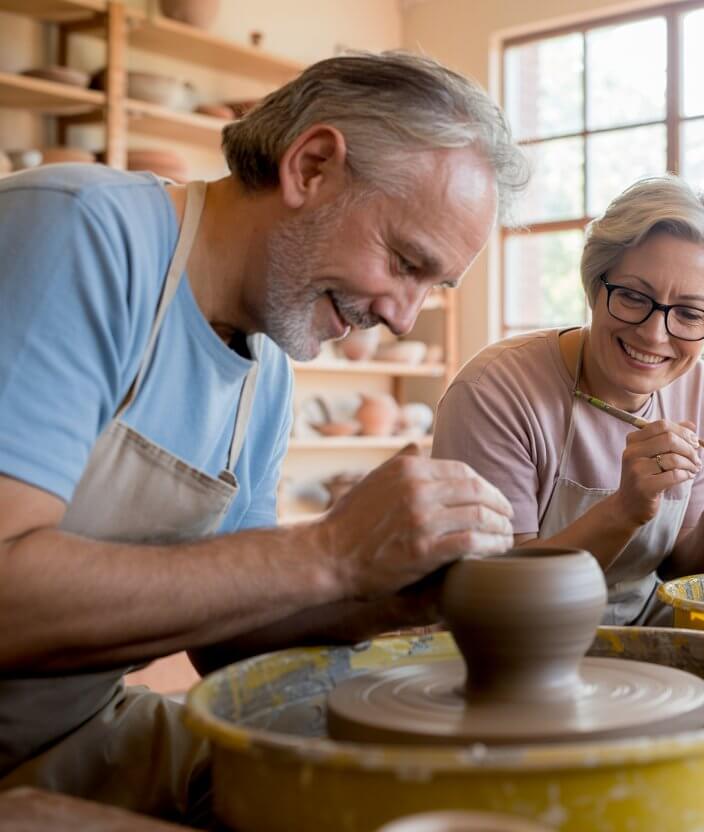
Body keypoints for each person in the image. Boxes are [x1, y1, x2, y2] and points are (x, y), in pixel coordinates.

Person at [0, 52, 527, 821]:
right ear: (311, 166)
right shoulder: (82, 233)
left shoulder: (266, 369)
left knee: (381, 799)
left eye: (432, 285)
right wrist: (333, 551)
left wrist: (396, 597)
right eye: (405, 263)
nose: (403, 316)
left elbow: (226, 634)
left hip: (74, 730)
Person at [433, 176, 704, 625]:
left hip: (645, 646)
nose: (652, 333)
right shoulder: (497, 389)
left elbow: (682, 576)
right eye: (632, 296)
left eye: (689, 314)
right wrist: (623, 511)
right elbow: (495, 594)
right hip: (513, 653)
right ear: (595, 285)